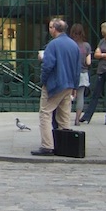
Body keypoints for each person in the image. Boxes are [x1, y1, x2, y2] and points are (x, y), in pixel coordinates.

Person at [32, 18, 80, 156]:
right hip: (69, 84)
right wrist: (75, 87)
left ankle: (47, 146)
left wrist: (43, 80)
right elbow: (78, 68)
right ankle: (64, 145)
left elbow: (48, 65)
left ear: (54, 29)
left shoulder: (53, 45)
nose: (49, 29)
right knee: (64, 116)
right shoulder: (73, 45)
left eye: (51, 27)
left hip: (55, 84)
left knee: (45, 113)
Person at [79, 21, 106, 125]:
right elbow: (96, 55)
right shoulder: (102, 41)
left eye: (102, 29)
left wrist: (101, 54)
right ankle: (87, 116)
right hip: (101, 70)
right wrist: (104, 55)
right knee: (95, 94)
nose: (101, 31)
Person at [69, 23, 92, 126]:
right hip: (83, 73)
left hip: (70, 73)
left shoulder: (69, 44)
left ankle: (64, 117)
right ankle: (77, 119)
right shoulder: (86, 46)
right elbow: (88, 62)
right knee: (80, 96)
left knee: (67, 96)